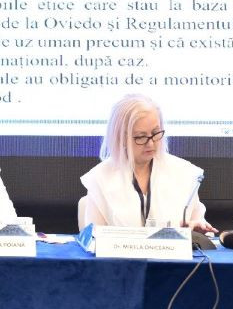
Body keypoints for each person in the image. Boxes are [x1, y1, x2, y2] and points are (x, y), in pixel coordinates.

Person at [80, 94, 215, 231]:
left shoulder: (184, 172)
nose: (151, 143)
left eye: (156, 133)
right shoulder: (100, 178)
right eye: (141, 137)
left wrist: (196, 228)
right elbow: (94, 238)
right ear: (121, 137)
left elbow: (199, 226)